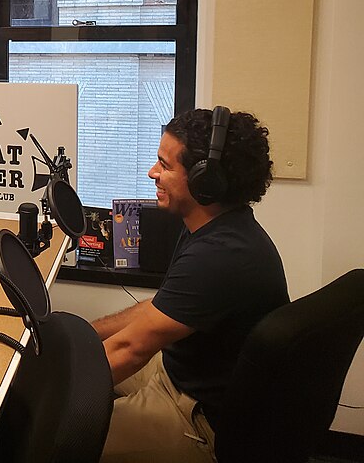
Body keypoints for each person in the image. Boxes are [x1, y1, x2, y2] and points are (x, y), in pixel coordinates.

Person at [94, 108, 288, 463]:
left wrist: (47, 387)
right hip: (180, 373)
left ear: (205, 182)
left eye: (165, 166)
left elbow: (130, 350)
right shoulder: (215, 226)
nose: (153, 172)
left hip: (199, 420)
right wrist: (84, 333)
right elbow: (158, 309)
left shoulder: (220, 256)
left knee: (56, 433)